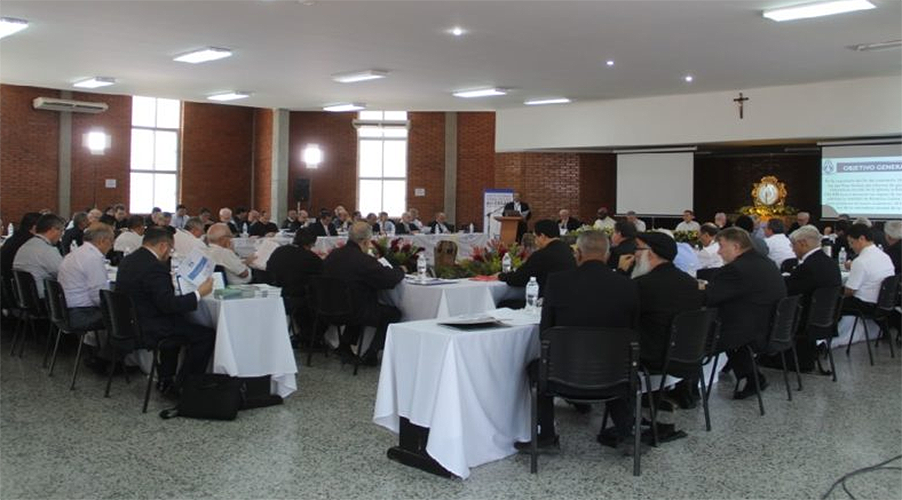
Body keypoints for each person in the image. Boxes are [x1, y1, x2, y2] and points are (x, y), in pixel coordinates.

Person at [515, 230, 639, 451]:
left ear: (578, 253)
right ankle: (625, 433)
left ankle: (547, 436)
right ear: (607, 254)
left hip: (561, 375)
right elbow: (632, 331)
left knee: (535, 367)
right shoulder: (627, 285)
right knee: (619, 359)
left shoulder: (557, 282)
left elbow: (546, 331)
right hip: (614, 376)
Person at [115, 226, 215, 395]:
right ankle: (186, 385)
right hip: (149, 326)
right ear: (163, 246)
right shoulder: (155, 267)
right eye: (170, 249)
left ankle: (166, 378)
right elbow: (169, 305)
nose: (169, 254)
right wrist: (199, 293)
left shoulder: (128, 260)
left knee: (179, 323)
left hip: (132, 322)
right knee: (205, 335)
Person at [702, 227, 786, 399]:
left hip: (746, 330)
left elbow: (709, 297)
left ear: (736, 246)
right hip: (771, 325)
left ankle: (686, 389)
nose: (719, 252)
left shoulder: (736, 269)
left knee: (695, 335)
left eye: (721, 246)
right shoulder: (766, 263)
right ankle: (753, 378)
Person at [626, 231, 705, 407]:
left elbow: (624, 317)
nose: (634, 254)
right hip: (687, 353)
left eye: (638, 249)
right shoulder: (691, 283)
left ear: (650, 253)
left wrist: (623, 274)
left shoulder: (642, 285)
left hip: (653, 355)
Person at [759, 225, 841, 372]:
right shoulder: (830, 262)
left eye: (793, 245)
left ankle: (766, 351)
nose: (792, 249)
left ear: (803, 243)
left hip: (804, 317)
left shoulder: (809, 267)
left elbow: (788, 290)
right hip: (824, 317)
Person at [322, 222, 404, 364]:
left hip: (328, 306)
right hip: (353, 311)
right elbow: (388, 280)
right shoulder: (363, 261)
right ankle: (371, 354)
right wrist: (400, 270)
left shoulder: (333, 255)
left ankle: (344, 345)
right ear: (366, 241)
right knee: (393, 313)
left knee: (355, 300)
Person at [497, 219, 576, 306]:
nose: (535, 241)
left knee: (502, 304)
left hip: (546, 304)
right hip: (568, 301)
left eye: (535, 237)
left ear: (542, 236)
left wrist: (500, 276)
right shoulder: (568, 250)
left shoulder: (543, 254)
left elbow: (519, 279)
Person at [266, 228, 323, 341]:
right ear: (312, 243)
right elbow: (322, 272)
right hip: (298, 299)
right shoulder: (311, 258)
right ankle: (311, 336)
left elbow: (268, 267)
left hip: (276, 294)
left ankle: (304, 335)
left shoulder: (279, 251)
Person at [57, 223, 114, 331]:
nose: (111, 246)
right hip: (81, 314)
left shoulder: (74, 254)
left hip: (65, 310)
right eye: (111, 242)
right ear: (102, 240)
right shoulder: (93, 258)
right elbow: (99, 295)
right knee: (123, 316)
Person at [841, 223, 895, 314]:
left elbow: (849, 291)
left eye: (851, 242)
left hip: (864, 305)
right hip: (882, 304)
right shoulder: (885, 256)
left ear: (862, 239)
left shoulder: (860, 261)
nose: (850, 246)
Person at [12, 213, 65, 298]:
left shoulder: (25, 246)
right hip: (43, 298)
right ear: (53, 230)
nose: (61, 235)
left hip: (25, 296)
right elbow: (64, 273)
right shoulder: (47, 250)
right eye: (61, 231)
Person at [0, 212, 41, 280]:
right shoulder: (30, 243)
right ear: (35, 228)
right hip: (16, 281)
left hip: (8, 281)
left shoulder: (13, 239)